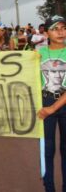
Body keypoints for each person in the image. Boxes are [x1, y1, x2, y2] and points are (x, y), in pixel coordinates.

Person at [37, 16, 66, 192]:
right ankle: (49, 188)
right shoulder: (38, 53)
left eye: (63, 28)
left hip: (62, 103)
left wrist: (53, 108)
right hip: (44, 101)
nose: (61, 32)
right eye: (55, 28)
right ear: (46, 32)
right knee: (46, 150)